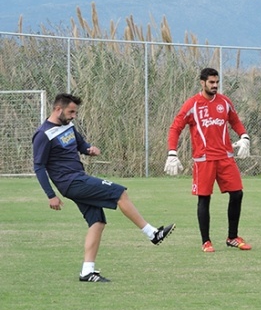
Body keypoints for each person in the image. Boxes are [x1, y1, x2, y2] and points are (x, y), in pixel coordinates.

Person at [32, 93, 174, 282]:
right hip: (71, 182)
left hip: (79, 178)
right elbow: (39, 167)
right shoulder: (43, 135)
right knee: (119, 192)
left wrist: (89, 149)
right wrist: (51, 195)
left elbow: (80, 145)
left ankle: (87, 271)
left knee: (97, 222)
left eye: (75, 112)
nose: (74, 116)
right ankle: (152, 233)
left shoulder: (68, 126)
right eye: (71, 112)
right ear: (58, 109)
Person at [165, 67, 252, 252]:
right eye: (211, 82)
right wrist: (172, 152)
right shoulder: (192, 104)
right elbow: (175, 128)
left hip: (225, 157)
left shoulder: (224, 102)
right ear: (202, 82)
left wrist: (244, 136)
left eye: (217, 82)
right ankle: (206, 241)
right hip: (204, 160)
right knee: (204, 198)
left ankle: (233, 237)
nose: (215, 85)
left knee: (237, 194)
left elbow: (235, 121)